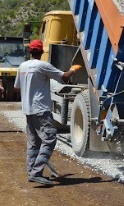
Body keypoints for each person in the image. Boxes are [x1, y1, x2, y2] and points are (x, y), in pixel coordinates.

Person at [14, 39, 79, 185]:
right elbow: (64, 77)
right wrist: (73, 69)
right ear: (41, 52)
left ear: (30, 51)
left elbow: (17, 87)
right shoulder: (42, 66)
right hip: (41, 109)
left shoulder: (22, 66)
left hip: (28, 109)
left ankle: (31, 171)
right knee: (49, 139)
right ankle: (37, 172)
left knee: (33, 142)